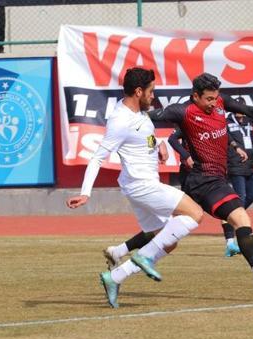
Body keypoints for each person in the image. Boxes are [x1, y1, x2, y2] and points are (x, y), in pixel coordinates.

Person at [150, 72, 253, 292]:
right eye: (208, 99)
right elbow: (145, 117)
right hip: (201, 181)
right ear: (195, 96)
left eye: (215, 98)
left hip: (214, 180)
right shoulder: (182, 111)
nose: (214, 103)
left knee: (169, 233)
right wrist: (157, 143)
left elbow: (248, 110)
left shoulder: (221, 102)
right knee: (238, 217)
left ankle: (119, 264)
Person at [66, 67, 204, 308]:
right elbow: (98, 157)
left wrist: (159, 145)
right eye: (151, 91)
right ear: (139, 91)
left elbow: (143, 138)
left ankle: (115, 276)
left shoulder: (140, 113)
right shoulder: (120, 120)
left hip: (139, 185)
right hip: (142, 185)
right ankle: (142, 256)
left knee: (168, 242)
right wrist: (86, 192)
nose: (154, 95)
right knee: (195, 213)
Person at [221, 97, 253, 257]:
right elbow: (226, 141)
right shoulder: (226, 122)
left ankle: (233, 218)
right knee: (241, 197)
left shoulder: (248, 122)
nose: (240, 110)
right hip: (235, 163)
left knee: (252, 196)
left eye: (242, 107)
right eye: (238, 106)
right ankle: (238, 226)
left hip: (250, 164)